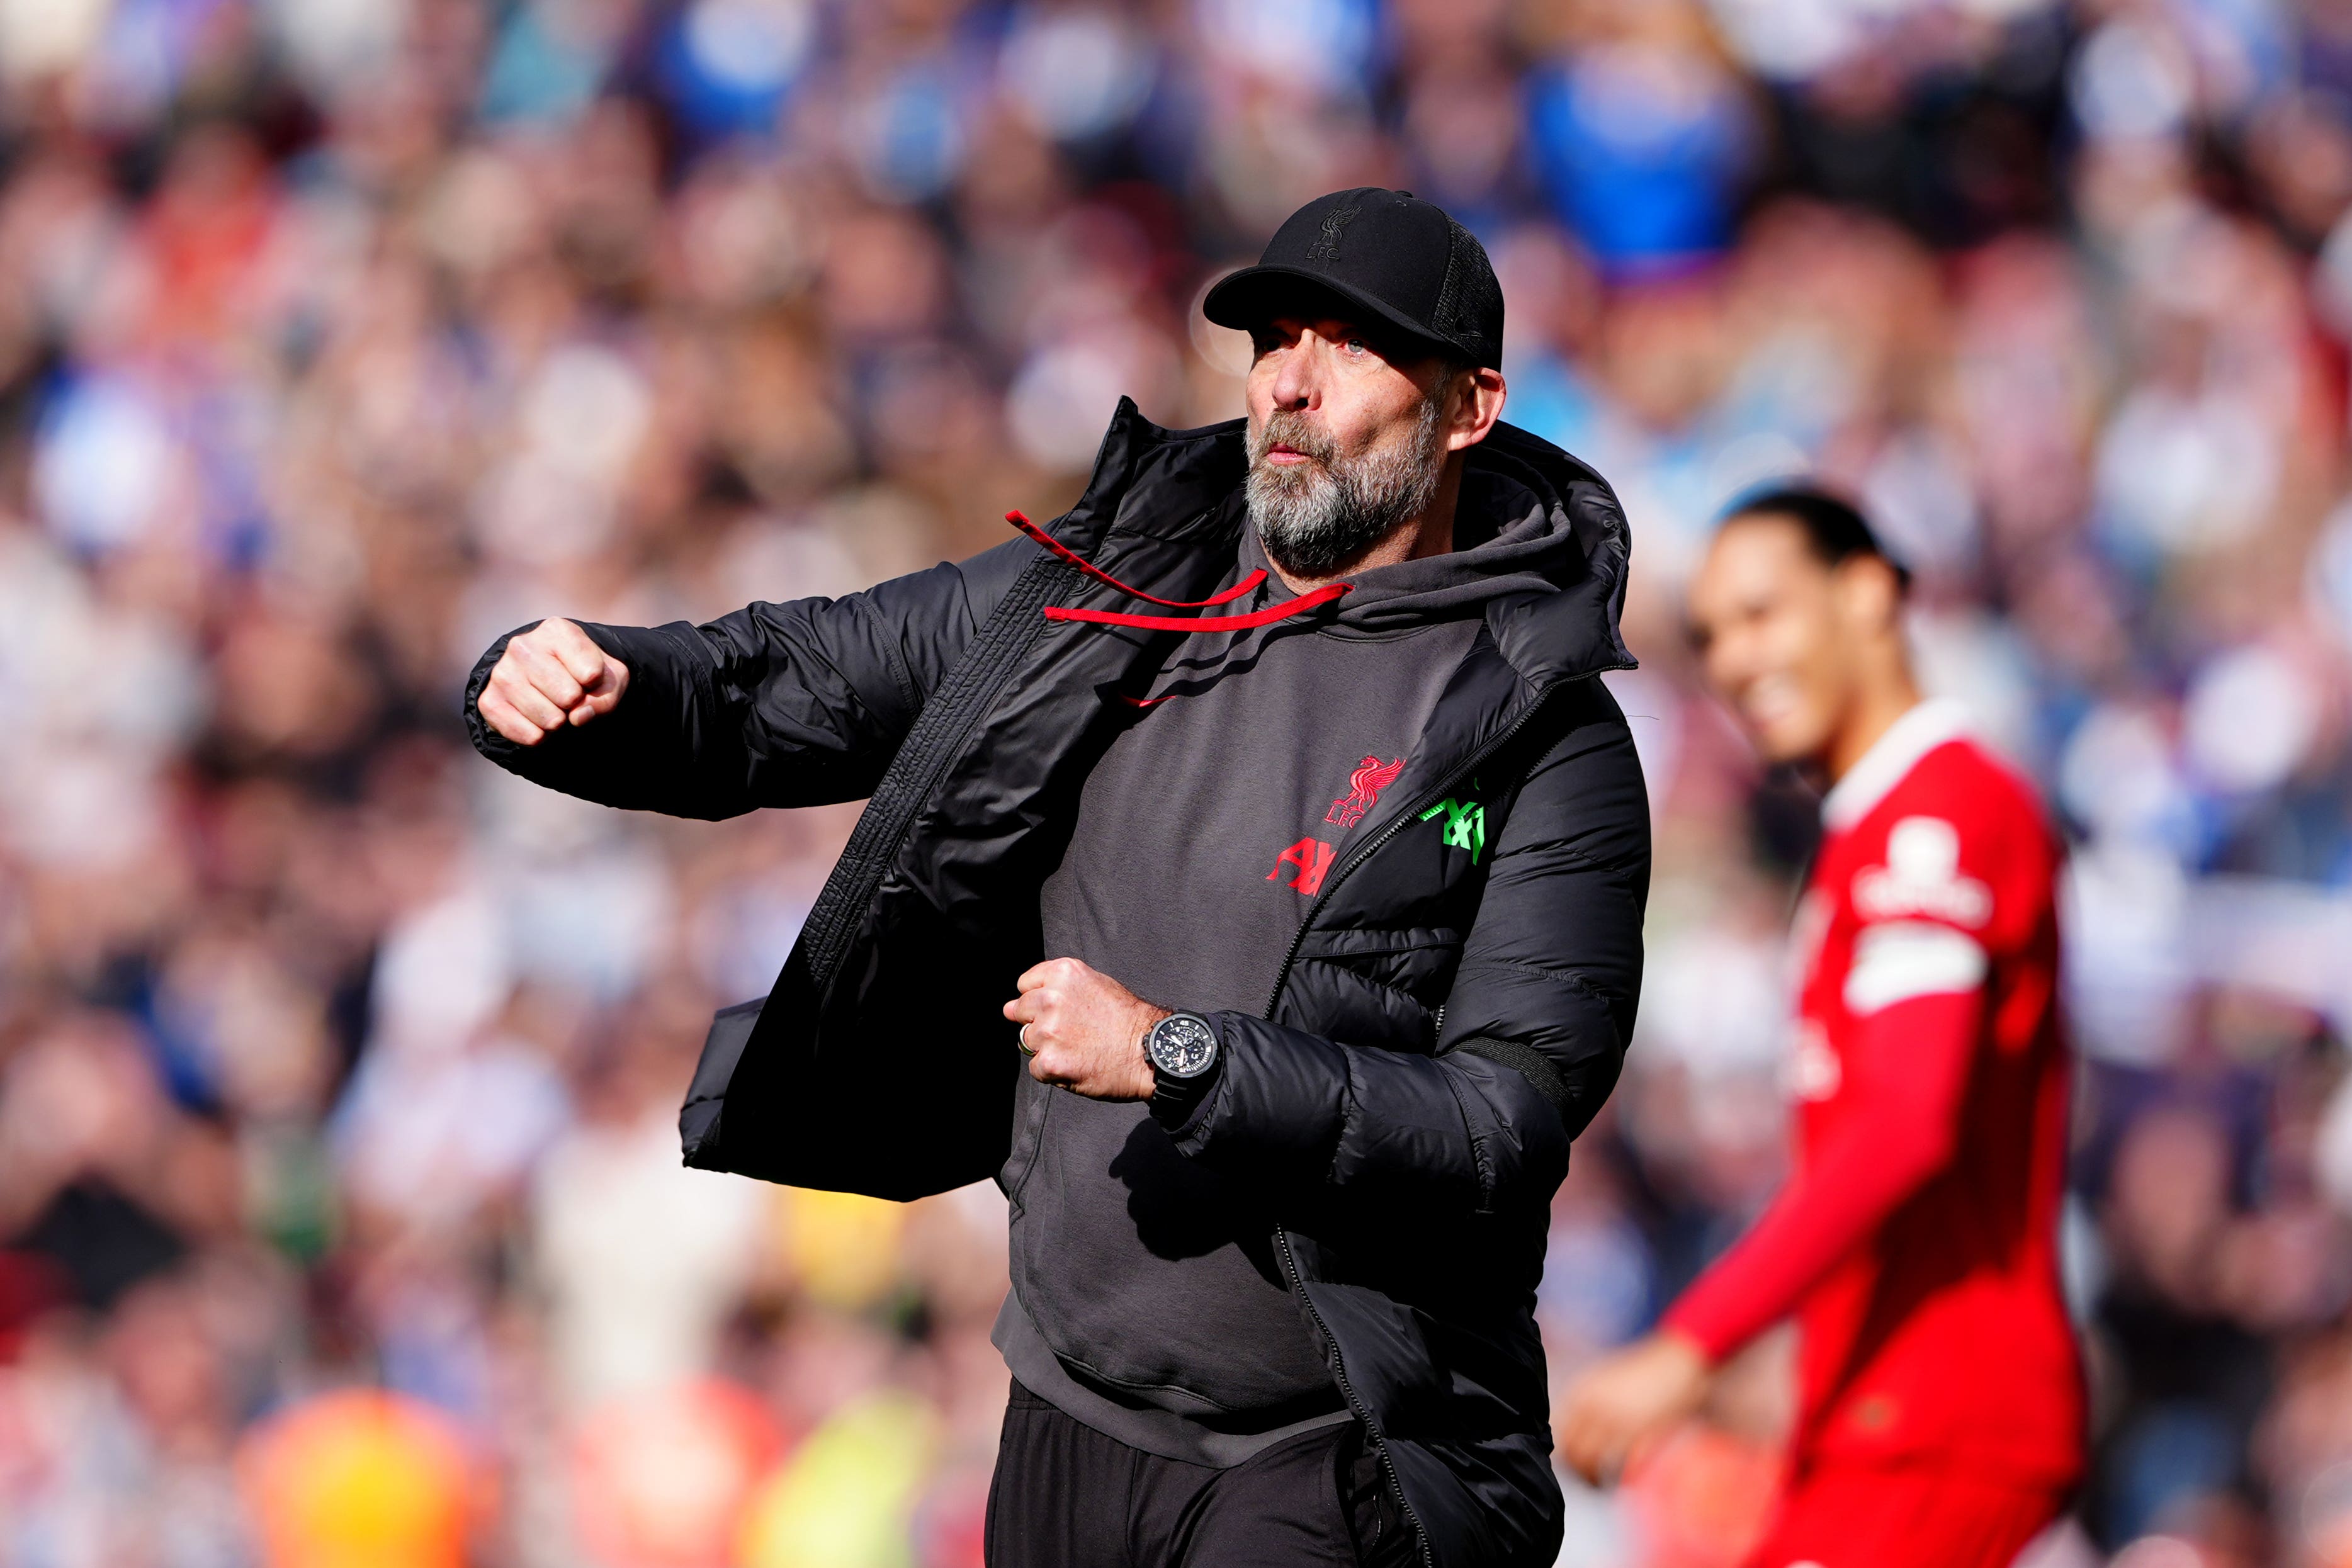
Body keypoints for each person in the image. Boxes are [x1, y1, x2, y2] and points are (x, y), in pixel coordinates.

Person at [463, 188, 1651, 1568]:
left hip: (1335, 1448)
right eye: (1272, 338)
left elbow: (1497, 1128)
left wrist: (1179, 1055)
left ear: (1467, 406)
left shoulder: (1542, 731)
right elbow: (802, 676)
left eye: (1349, 345)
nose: (1291, 380)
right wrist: (585, 682)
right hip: (1066, 1416)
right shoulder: (1112, 587)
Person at [1557, 488, 2084, 1565]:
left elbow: (1905, 1125)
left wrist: (1690, 1346)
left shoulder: (1936, 815)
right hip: (1870, 1422)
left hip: (1938, 1422)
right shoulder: (1870, 834)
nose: (1737, 661)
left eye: (1764, 614)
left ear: (1870, 592)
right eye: (1710, 637)